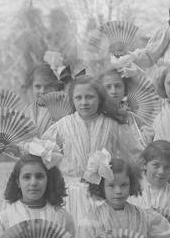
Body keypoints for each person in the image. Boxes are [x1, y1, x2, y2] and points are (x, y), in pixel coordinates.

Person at [41, 75, 144, 226]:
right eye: (79, 97)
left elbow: (135, 153)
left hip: (104, 194)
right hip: (71, 194)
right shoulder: (63, 125)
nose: (84, 102)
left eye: (89, 97)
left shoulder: (112, 125)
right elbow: (43, 151)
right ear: (72, 100)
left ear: (100, 98)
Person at [22, 62, 60, 135]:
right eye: (38, 87)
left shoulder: (60, 111)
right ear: (32, 87)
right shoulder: (28, 110)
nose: (42, 91)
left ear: (55, 87)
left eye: (47, 86)